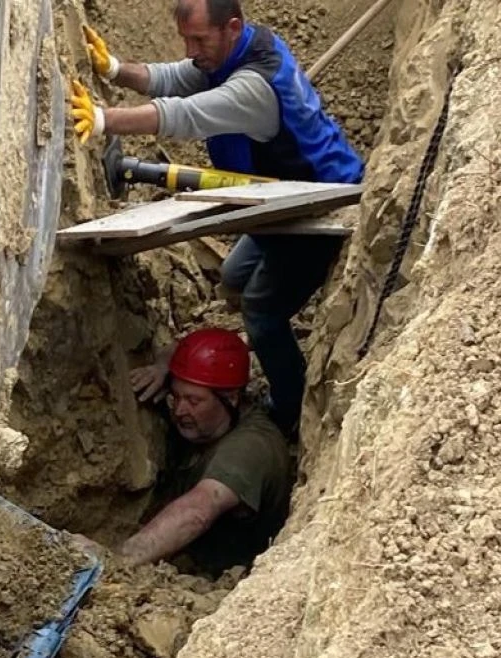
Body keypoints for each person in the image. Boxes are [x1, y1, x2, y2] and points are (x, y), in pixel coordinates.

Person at [70, 0, 365, 437]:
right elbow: (176, 78)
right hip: (275, 194)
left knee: (262, 310)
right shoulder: (236, 49)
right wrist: (115, 69)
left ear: (232, 27)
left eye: (199, 40)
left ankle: (291, 410)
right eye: (186, 39)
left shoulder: (254, 86)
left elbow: (184, 115)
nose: (191, 50)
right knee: (233, 272)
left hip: (320, 206)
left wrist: (103, 120)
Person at [115, 327, 292, 576]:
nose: (179, 410)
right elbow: (180, 347)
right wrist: (164, 366)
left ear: (230, 398)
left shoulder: (250, 447)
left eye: (193, 400)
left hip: (217, 577)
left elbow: (198, 510)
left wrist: (117, 561)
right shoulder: (212, 418)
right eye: (175, 396)